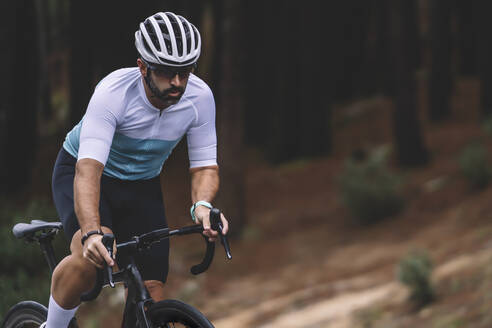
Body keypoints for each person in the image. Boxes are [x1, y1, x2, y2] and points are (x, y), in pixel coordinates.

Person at [42, 11, 229, 328]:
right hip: (85, 173)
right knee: (92, 262)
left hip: (141, 184)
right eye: (167, 72)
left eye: (185, 72)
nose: (178, 82)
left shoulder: (200, 97)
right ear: (143, 67)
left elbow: (204, 167)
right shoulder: (113, 93)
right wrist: (90, 233)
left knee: (151, 291)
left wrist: (203, 207)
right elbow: (88, 171)